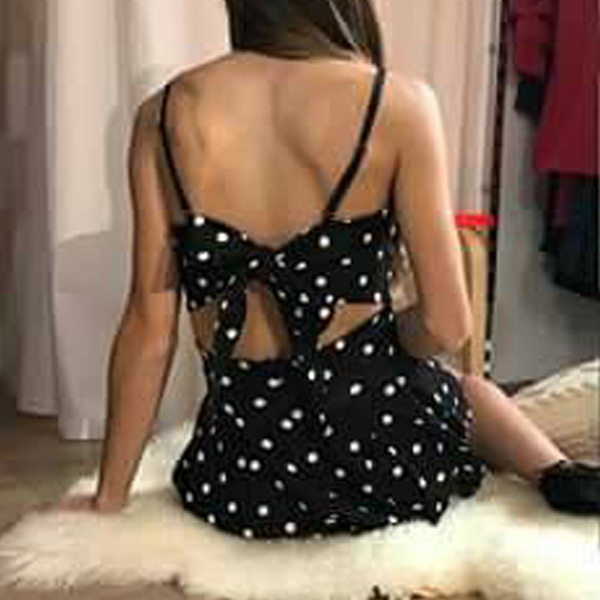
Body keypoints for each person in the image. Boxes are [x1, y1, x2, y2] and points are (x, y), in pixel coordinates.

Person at [55, 0, 600, 533]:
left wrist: (109, 498)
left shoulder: (162, 114)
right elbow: (447, 326)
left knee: (446, 390)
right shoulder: (398, 102)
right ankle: (558, 472)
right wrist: (384, 338)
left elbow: (148, 333)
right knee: (466, 391)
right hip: (383, 469)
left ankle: (556, 468)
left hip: (241, 480)